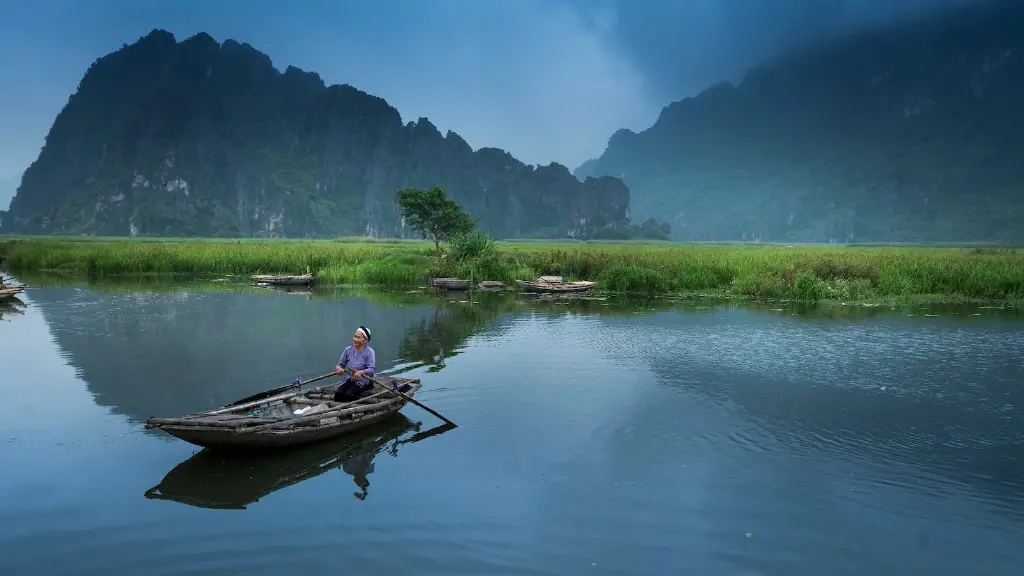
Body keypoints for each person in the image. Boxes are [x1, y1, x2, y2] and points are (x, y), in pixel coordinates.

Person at [333, 325, 376, 402]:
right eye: (355, 336)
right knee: (338, 394)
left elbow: (371, 369)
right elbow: (340, 364)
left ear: (365, 340)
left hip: (364, 380)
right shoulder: (348, 350)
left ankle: (356, 412)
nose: (355, 339)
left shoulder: (370, 352)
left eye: (358, 337)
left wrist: (361, 372)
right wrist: (338, 368)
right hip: (350, 379)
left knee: (350, 394)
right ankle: (341, 411)